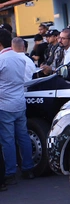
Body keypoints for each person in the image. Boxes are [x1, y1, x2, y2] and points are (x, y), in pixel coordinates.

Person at [0, 29, 35, 185]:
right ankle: (28, 169)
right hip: (20, 103)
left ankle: (10, 172)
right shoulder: (21, 58)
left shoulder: (2, 60)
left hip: (5, 105)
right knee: (23, 137)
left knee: (8, 140)